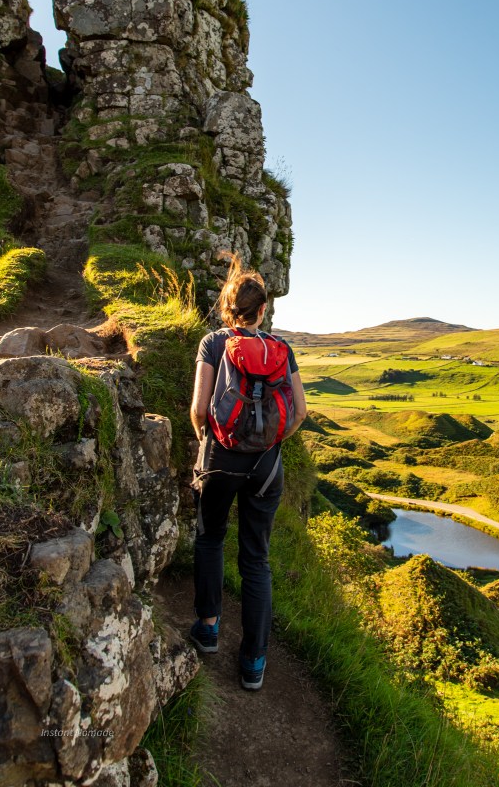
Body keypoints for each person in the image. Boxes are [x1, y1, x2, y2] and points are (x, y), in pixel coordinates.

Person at [189, 254, 306, 690]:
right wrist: (271, 445)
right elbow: (300, 412)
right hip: (265, 467)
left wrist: (209, 441)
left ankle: (208, 628)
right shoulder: (282, 349)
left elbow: (200, 409)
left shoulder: (213, 343)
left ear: (227, 308)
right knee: (257, 560)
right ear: (262, 311)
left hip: (220, 459)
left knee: (210, 537)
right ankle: (254, 663)